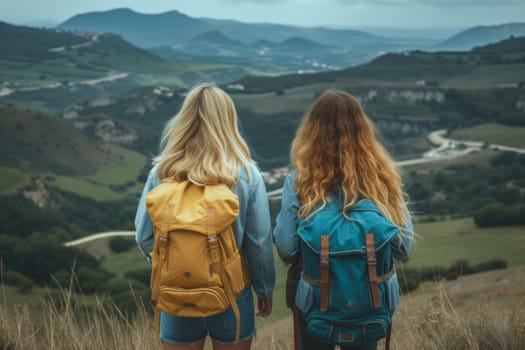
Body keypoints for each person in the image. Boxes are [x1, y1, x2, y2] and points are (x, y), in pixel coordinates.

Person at [135, 83, 275, 350]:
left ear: (185, 119)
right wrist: (264, 291)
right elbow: (258, 243)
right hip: (231, 293)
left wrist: (174, 263)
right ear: (227, 121)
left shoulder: (161, 173)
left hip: (176, 295)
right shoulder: (246, 175)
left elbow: (143, 237)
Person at [273, 89, 414, 350]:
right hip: (369, 304)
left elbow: (286, 248)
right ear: (363, 130)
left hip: (315, 304)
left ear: (311, 131)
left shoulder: (298, 181)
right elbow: (403, 247)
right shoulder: (382, 178)